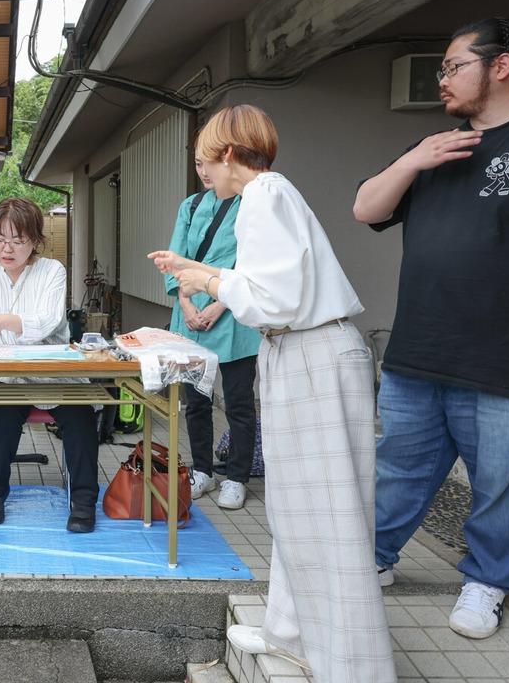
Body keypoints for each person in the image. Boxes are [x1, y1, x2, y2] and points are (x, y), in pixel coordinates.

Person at [149, 105, 395, 682]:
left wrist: (208, 278)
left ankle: (352, 666)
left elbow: (273, 299)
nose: (203, 170)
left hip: (311, 350)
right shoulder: (270, 193)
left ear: (230, 154)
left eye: (206, 159)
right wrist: (196, 270)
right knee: (295, 507)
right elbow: (274, 287)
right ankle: (291, 632)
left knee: (327, 515)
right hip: (300, 349)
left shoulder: (263, 194)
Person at [353, 16, 509, 640]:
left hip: (504, 357)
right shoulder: (437, 147)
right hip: (418, 347)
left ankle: (487, 580)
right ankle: (372, 559)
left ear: (500, 66)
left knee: (501, 482)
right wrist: (412, 160)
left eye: (454, 67)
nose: (441, 78)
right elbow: (366, 207)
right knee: (399, 466)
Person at [0, 197, 100, 534]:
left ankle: (83, 500)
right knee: (1, 422)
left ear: (34, 240)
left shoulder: (52, 271)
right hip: (5, 375)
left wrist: (1, 321)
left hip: (53, 372)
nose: (7, 249)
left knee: (80, 420)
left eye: (17, 240)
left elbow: (48, 320)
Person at [163, 158, 260, 510]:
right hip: (190, 317)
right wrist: (185, 303)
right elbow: (175, 258)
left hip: (234, 318)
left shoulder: (250, 204)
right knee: (196, 402)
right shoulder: (190, 206)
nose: (204, 172)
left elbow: (251, 264)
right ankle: (202, 470)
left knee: (238, 403)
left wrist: (221, 303)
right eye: (198, 163)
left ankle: (236, 477)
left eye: (211, 163)